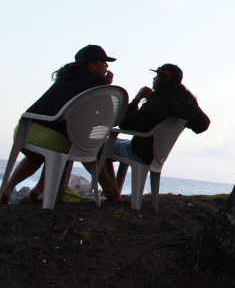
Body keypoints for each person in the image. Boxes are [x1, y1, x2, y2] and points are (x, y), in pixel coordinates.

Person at [1, 45, 122, 204]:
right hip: (54, 140)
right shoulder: (97, 81)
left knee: (38, 157)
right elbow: (108, 115)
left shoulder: (66, 75)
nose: (107, 66)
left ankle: (9, 188)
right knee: (74, 144)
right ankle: (110, 192)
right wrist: (107, 86)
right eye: (104, 62)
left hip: (26, 130)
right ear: (92, 64)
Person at [108, 64, 209, 165]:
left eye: (157, 76)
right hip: (156, 157)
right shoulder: (185, 104)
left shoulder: (159, 103)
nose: (154, 78)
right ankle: (112, 182)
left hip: (139, 152)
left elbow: (125, 124)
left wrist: (137, 99)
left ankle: (109, 182)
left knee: (97, 145)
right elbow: (203, 125)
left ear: (163, 80)